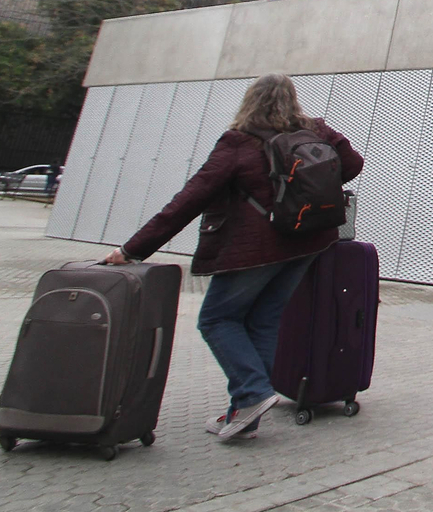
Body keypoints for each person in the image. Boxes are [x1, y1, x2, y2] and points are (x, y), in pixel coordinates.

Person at [103, 74, 363, 442]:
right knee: (264, 321)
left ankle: (254, 394)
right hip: (308, 242)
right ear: (292, 98)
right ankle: (244, 415)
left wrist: (132, 250)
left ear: (250, 101)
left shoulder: (239, 142)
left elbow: (188, 200)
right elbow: (352, 164)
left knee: (217, 320)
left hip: (255, 250)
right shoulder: (317, 131)